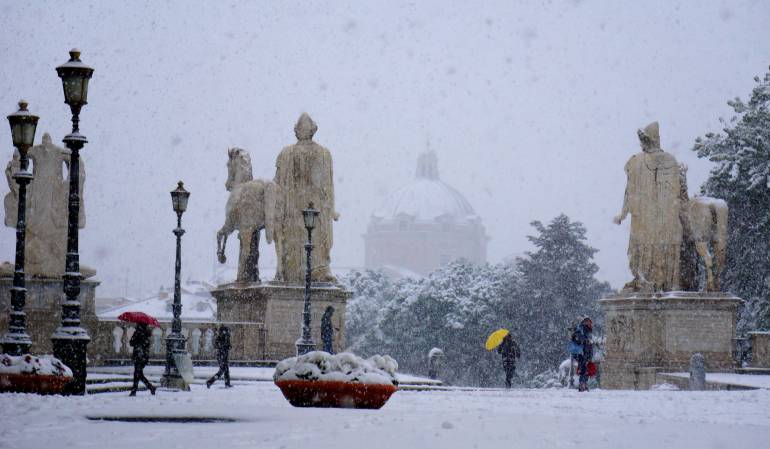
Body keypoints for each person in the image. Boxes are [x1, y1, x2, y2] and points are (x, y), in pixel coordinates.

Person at [129, 323, 156, 396]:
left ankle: (136, 390)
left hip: (138, 356)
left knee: (137, 373)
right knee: (138, 373)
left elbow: (131, 343)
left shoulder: (138, 332)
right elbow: (146, 344)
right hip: (144, 356)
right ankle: (149, 387)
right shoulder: (147, 332)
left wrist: (135, 336)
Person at [571, 317, 594, 392]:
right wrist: (585, 341)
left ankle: (584, 384)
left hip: (585, 352)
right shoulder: (581, 329)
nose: (590, 324)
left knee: (586, 368)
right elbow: (578, 337)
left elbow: (589, 342)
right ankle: (582, 384)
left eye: (590, 322)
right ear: (585, 322)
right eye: (589, 322)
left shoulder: (587, 330)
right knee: (583, 368)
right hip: (581, 352)